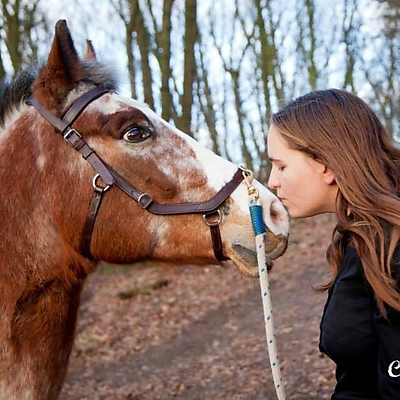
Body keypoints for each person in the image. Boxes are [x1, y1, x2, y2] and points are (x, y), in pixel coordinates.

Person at [267, 88, 400, 399]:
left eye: (281, 165)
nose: (273, 181)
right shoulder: (361, 238)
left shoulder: (392, 250)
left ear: (325, 164)